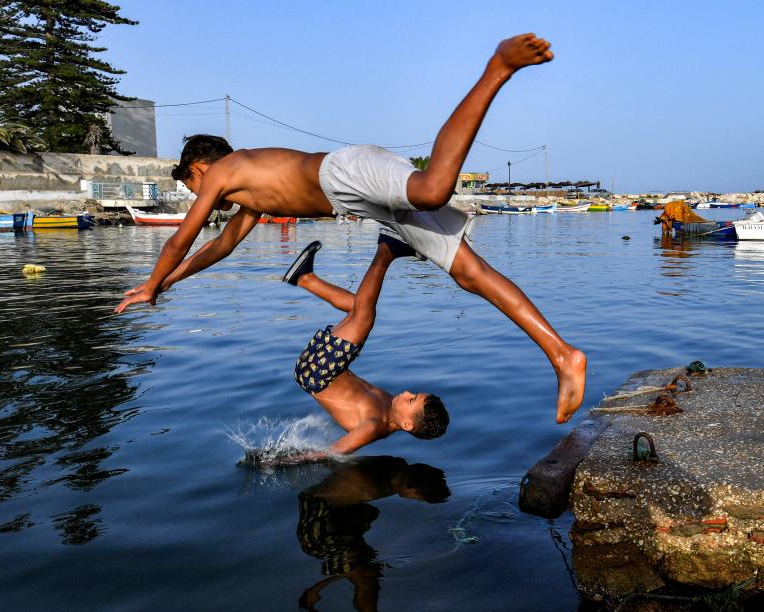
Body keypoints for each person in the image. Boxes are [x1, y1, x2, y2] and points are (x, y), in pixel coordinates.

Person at [116, 33, 586, 424]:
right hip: (360, 202)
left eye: (191, 180)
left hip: (343, 173)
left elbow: (183, 237)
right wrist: (166, 285)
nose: (197, 191)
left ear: (200, 166)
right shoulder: (247, 197)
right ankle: (562, 355)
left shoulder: (224, 170)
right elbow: (219, 246)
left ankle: (497, 67)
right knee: (468, 273)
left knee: (432, 190)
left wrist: (153, 284)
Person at [285, 232, 449, 457]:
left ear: (408, 424)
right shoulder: (391, 407)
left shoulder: (374, 426)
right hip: (324, 369)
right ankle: (305, 278)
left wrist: (279, 461)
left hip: (320, 374)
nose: (408, 392)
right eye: (416, 393)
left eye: (412, 399)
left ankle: (387, 250)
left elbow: (334, 452)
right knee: (360, 305)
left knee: (365, 316)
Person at [295, 455, 449, 612]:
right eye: (415, 498)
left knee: (365, 566)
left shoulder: (397, 464)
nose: (412, 499)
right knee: (366, 574)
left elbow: (340, 462)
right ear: (411, 488)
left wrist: (306, 457)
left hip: (330, 512)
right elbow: (331, 485)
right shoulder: (371, 489)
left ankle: (321, 589)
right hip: (318, 530)